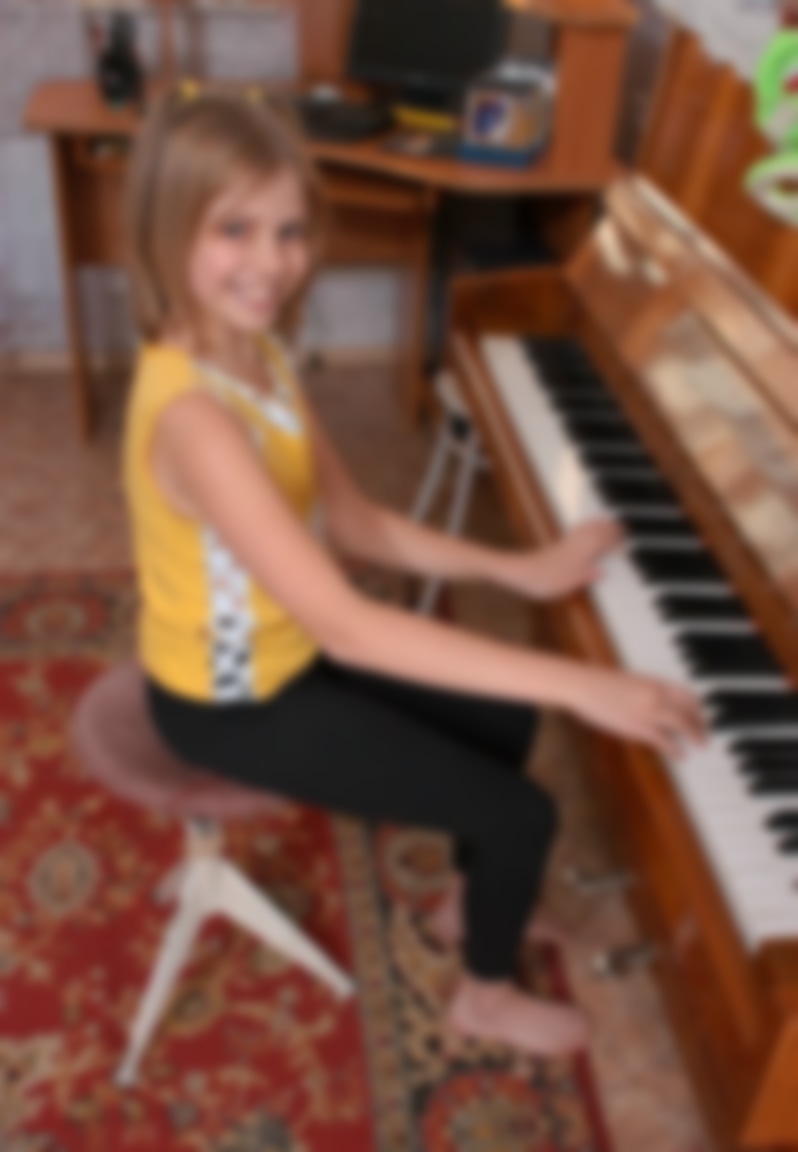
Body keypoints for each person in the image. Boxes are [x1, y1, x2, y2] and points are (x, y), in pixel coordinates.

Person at [122, 85, 704, 1059]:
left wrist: (520, 570)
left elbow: (356, 520)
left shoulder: (254, 351)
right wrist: (584, 683)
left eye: (289, 231)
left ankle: (471, 903)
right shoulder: (194, 419)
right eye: (234, 230)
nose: (270, 262)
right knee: (522, 811)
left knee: (506, 719)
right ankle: (483, 995)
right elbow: (349, 626)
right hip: (230, 701)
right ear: (166, 228)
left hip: (289, 649)